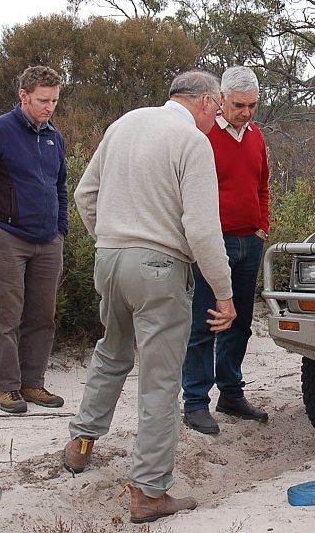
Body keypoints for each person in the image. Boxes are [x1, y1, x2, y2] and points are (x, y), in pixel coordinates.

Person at [62, 71, 236, 524]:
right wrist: (226, 293)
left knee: (112, 351)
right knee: (160, 380)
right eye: (217, 107)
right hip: (158, 268)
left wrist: (111, 239)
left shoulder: (125, 123)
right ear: (204, 101)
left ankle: (80, 444)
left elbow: (84, 193)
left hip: (109, 258)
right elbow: (201, 229)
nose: (217, 117)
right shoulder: (192, 142)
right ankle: (150, 492)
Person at [0, 65, 68, 414]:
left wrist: (61, 228)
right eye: (41, 100)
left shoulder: (54, 136)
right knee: (6, 318)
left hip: (48, 241)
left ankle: (32, 384)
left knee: (43, 316)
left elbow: (60, 185)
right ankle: (6, 388)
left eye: (53, 100)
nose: (48, 107)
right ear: (23, 96)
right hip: (9, 238)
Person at [181, 66, 271, 435]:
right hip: (212, 243)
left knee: (241, 323)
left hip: (250, 241)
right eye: (238, 105)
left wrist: (263, 226)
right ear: (221, 100)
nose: (246, 112)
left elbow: (263, 185)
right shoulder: (202, 136)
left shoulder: (256, 136)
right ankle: (195, 401)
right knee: (206, 323)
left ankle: (231, 392)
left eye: (252, 105)